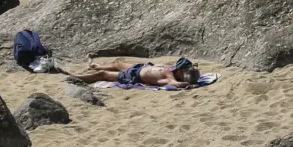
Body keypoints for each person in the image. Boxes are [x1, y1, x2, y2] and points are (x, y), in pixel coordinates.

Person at [69, 58, 201, 88]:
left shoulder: (170, 76)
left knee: (104, 74)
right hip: (142, 67)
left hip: (134, 75)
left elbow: (176, 84)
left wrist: (187, 85)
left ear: (182, 71)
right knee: (118, 63)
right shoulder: (173, 69)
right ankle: (95, 65)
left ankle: (76, 77)